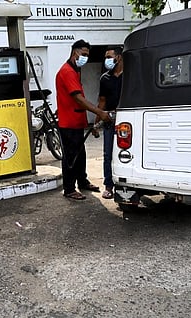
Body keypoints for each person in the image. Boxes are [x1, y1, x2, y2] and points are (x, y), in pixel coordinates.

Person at [55, 39, 111, 201]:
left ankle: (82, 180)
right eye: (84, 54)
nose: (85, 58)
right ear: (75, 53)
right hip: (68, 123)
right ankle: (69, 188)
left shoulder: (75, 70)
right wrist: (99, 112)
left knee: (80, 154)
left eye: (87, 55)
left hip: (77, 121)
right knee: (71, 156)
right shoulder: (67, 72)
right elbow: (78, 99)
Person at [94, 46, 123, 199]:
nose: (107, 60)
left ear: (118, 57)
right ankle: (108, 185)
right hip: (109, 120)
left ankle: (125, 184)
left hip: (127, 120)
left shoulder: (130, 75)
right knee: (108, 153)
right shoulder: (105, 78)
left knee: (126, 152)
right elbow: (102, 102)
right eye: (106, 57)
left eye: (109, 57)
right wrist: (96, 122)